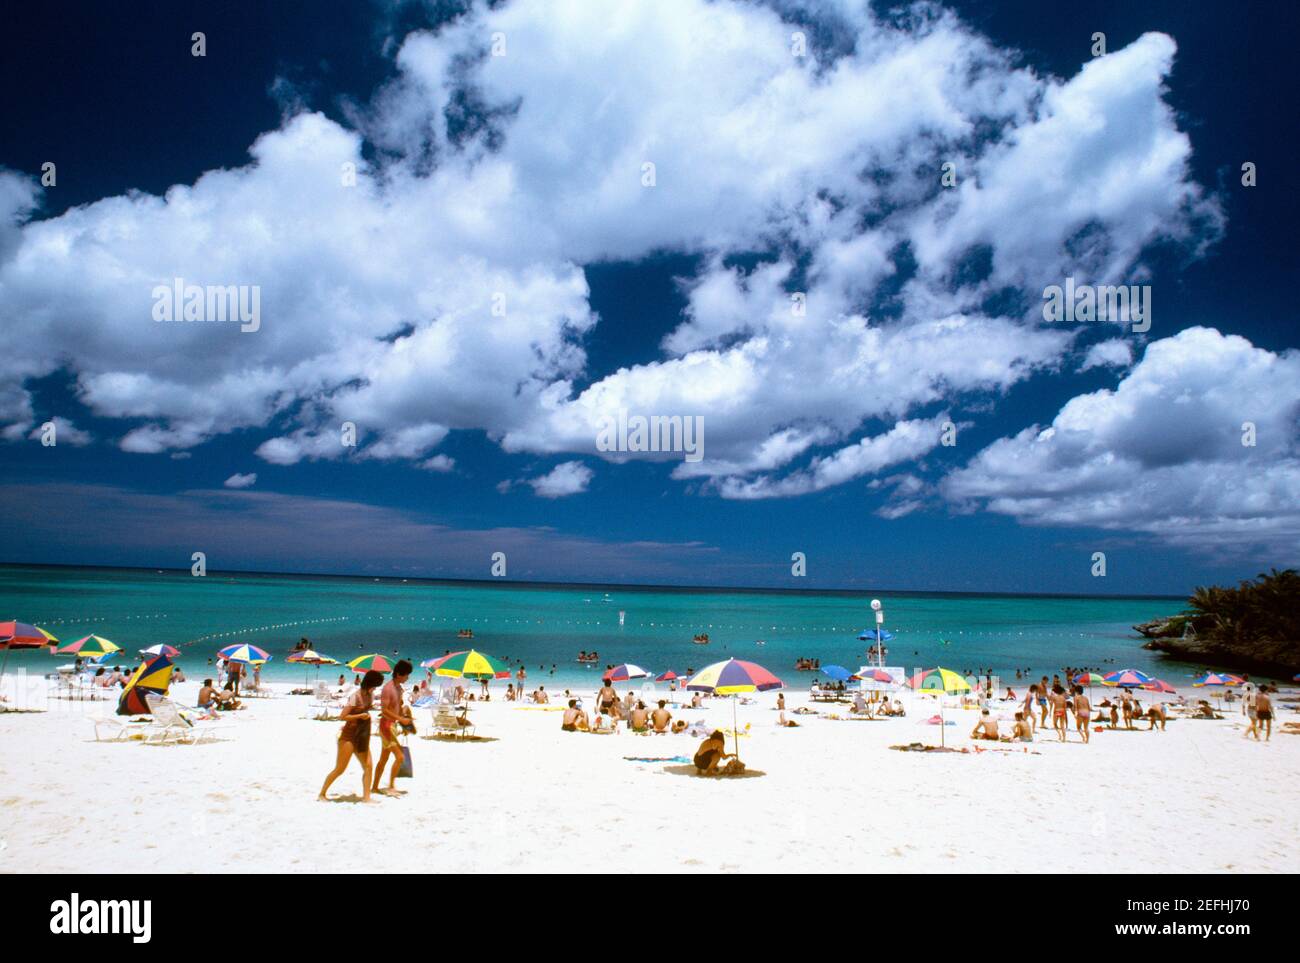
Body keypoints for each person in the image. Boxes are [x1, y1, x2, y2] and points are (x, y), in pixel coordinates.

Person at [319, 670, 385, 803]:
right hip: (348, 736)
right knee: (340, 769)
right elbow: (342, 716)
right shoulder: (356, 696)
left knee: (368, 766)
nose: (375, 688)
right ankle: (322, 793)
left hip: (361, 734)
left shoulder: (370, 695)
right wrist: (360, 716)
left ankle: (366, 798)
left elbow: (366, 708)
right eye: (375, 685)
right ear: (370, 684)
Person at [372, 660, 414, 797]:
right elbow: (384, 710)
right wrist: (401, 719)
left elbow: (398, 709)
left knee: (383, 759)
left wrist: (405, 723)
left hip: (393, 725)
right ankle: (391, 786)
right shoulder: (388, 688)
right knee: (400, 757)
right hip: (386, 726)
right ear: (398, 674)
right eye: (406, 675)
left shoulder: (399, 688)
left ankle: (374, 787)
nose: (408, 677)